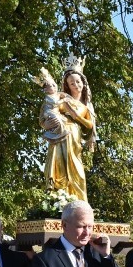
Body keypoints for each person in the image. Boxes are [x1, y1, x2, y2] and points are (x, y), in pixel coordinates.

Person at [41, 55, 98, 202]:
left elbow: (90, 125)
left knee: (76, 167)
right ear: (67, 85)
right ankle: (59, 200)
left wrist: (74, 114)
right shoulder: (61, 97)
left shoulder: (86, 105)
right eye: (72, 83)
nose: (76, 85)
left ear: (83, 83)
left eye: (78, 82)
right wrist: (45, 124)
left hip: (74, 136)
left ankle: (80, 201)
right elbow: (46, 114)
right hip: (58, 136)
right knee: (58, 167)